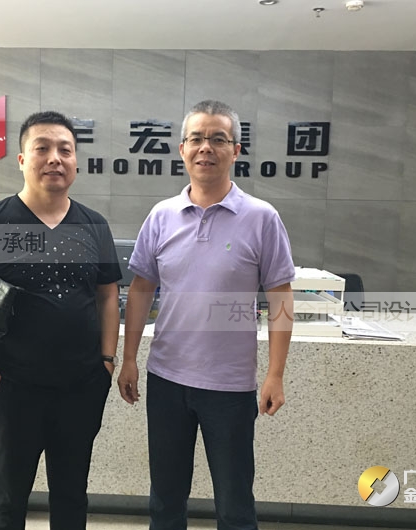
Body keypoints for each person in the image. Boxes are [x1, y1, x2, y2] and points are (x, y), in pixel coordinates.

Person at [117, 100, 295, 530]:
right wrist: (129, 359)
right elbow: (141, 289)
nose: (206, 148)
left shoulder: (262, 218)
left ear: (236, 151)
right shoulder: (161, 216)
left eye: (218, 139)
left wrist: (275, 374)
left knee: (234, 505)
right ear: (182, 149)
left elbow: (280, 297)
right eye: (196, 138)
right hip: (166, 380)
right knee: (165, 500)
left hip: (229, 387)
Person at [0, 111, 121, 530]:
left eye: (65, 150)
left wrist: (107, 362)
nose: (55, 158)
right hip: (14, 387)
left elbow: (108, 295)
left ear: (76, 162)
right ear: (22, 160)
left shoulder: (94, 226)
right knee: (8, 500)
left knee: (71, 496)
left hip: (81, 387)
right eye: (42, 148)